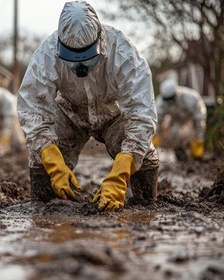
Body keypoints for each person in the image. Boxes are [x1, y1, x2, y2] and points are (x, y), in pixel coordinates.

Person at [17, 1, 159, 211]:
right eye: (72, 61)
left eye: (86, 60)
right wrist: (53, 162)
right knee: (40, 156)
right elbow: (33, 109)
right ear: (60, 48)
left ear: (100, 43)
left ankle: (145, 207)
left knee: (144, 153)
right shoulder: (45, 55)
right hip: (69, 113)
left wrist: (119, 175)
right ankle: (45, 207)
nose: (80, 68)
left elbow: (142, 114)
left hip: (113, 114)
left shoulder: (124, 53)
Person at [152, 78, 207, 161]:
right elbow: (157, 120)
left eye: (171, 98)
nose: (169, 102)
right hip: (176, 119)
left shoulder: (191, 98)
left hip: (190, 119)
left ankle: (195, 154)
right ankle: (180, 152)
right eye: (167, 100)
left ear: (177, 93)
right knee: (175, 133)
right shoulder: (161, 103)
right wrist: (154, 134)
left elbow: (199, 119)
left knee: (194, 134)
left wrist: (198, 140)